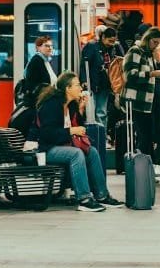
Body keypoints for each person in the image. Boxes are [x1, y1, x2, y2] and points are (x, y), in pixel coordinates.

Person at [37, 72, 121, 212]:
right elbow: (47, 134)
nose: (80, 89)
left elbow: (79, 127)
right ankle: (84, 198)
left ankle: (102, 195)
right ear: (67, 88)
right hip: (48, 149)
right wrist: (71, 131)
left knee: (92, 152)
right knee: (76, 154)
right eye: (77, 85)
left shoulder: (71, 105)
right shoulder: (51, 105)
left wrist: (81, 109)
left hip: (65, 146)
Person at [122, 27, 160, 168]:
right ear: (147, 39)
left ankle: (148, 165)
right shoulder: (135, 51)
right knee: (143, 134)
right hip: (136, 101)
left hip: (148, 101)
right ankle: (141, 167)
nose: (156, 45)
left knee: (148, 134)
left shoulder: (149, 54)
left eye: (158, 43)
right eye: (155, 42)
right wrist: (151, 74)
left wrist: (158, 63)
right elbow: (129, 75)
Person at [80, 27, 121, 128]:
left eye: (113, 41)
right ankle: (92, 135)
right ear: (103, 37)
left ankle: (101, 135)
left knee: (102, 112)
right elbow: (84, 64)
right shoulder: (92, 47)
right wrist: (84, 80)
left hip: (105, 85)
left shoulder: (113, 49)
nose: (111, 43)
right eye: (110, 41)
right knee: (90, 112)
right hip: (92, 83)